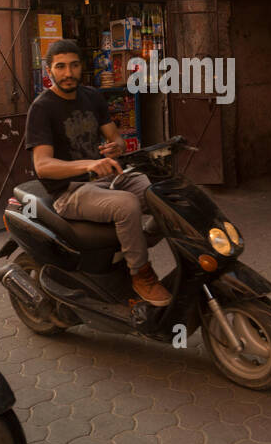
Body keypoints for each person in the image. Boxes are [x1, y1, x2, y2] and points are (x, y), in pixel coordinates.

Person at [24, 38, 170, 307]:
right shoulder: (42, 108)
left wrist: (116, 147)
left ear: (82, 67)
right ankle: (141, 275)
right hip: (70, 191)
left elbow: (117, 139)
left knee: (161, 192)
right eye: (61, 67)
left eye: (74, 65)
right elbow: (42, 166)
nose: (68, 73)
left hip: (108, 178)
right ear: (49, 71)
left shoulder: (93, 96)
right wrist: (88, 165)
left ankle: (138, 242)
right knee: (126, 205)